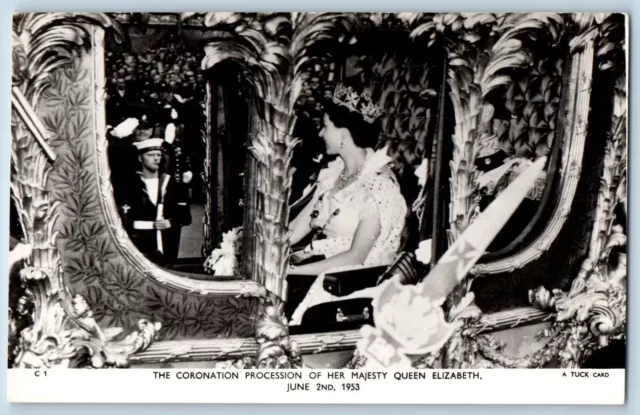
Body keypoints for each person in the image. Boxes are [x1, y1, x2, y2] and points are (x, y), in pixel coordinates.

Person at [287, 81, 408, 325]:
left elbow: (355, 257)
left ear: (343, 134)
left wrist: (293, 272)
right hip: (314, 269)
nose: (320, 133)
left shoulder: (378, 185)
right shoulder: (334, 176)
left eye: (325, 126)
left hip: (349, 286)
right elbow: (292, 233)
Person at [120, 138, 183, 266]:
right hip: (138, 248)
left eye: (159, 155)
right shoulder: (129, 185)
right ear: (140, 158)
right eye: (150, 155)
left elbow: (185, 216)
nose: (156, 158)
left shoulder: (170, 183)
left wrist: (169, 223)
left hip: (165, 248)